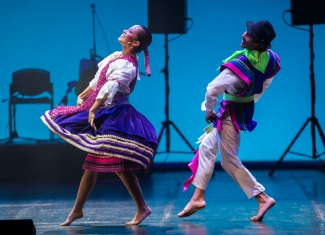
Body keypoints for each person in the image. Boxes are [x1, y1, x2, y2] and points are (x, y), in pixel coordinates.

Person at [41, 25, 157, 226]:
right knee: (99, 166)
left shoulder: (127, 65)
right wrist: (84, 94)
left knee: (110, 165)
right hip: (106, 112)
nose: (124, 30)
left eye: (129, 31)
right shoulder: (115, 57)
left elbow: (109, 88)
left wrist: (93, 109)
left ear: (135, 43)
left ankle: (140, 208)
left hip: (114, 116)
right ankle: (79, 210)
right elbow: (98, 82)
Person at [177, 20, 281, 222]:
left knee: (229, 160)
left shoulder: (238, 66)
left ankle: (263, 198)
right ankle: (198, 197)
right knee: (207, 148)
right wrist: (248, 99)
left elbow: (211, 90)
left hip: (230, 114)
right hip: (242, 109)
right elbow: (265, 83)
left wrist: (208, 111)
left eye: (249, 35)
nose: (243, 35)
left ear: (258, 44)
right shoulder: (271, 58)